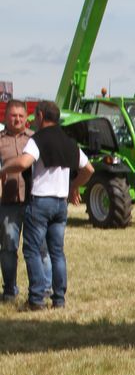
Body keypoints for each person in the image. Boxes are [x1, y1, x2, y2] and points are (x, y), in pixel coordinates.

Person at [0, 100, 93, 311]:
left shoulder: (37, 139)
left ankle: (36, 298)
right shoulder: (69, 142)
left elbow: (23, 163)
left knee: (32, 251)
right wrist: (72, 186)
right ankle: (58, 299)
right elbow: (88, 169)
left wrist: (4, 169)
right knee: (57, 252)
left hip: (40, 201)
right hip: (60, 204)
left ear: (40, 116)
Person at [0, 100, 34, 301]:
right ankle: (10, 290)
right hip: (8, 203)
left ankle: (39, 290)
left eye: (21, 116)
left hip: (32, 202)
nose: (18, 119)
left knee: (36, 248)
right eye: (13, 115)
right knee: (8, 249)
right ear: (5, 117)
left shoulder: (34, 140)